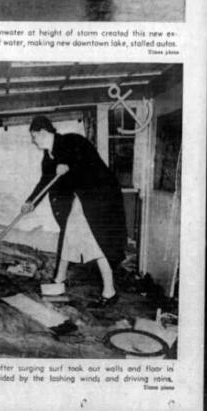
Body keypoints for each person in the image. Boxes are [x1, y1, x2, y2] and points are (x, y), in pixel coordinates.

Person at [19, 116, 127, 306]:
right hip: (79, 204)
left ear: (43, 132)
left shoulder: (73, 141)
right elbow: (45, 182)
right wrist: (31, 202)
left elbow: (91, 164)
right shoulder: (48, 157)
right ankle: (59, 281)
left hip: (97, 200)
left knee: (95, 243)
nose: (33, 141)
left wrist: (70, 166)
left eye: (34, 136)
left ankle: (109, 292)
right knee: (68, 239)